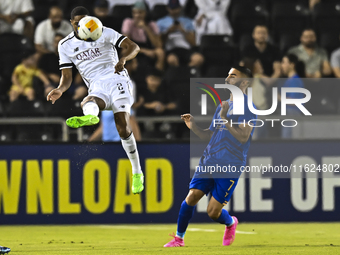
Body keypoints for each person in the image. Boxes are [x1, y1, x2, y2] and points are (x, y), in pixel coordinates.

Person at [46, 7, 144, 194]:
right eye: (78, 22)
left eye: (86, 20)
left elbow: (134, 47)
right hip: (97, 86)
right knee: (88, 100)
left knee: (122, 125)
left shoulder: (103, 31)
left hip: (117, 80)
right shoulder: (65, 45)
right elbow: (66, 77)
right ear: (72, 23)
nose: (83, 24)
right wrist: (59, 89)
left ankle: (137, 172)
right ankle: (91, 117)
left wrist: (123, 59)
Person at [164, 66, 256, 247]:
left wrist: (225, 118)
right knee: (191, 197)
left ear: (245, 82)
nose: (228, 78)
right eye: (228, 74)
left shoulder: (247, 107)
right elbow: (210, 135)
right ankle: (179, 239)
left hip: (230, 164)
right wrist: (194, 127)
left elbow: (244, 137)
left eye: (233, 76)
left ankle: (230, 223)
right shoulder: (222, 106)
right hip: (209, 160)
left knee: (213, 212)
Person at [157, 0, 204, 68]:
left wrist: (183, 30)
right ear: (167, 8)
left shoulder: (188, 21)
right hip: (171, 49)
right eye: (172, 9)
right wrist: (168, 32)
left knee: (198, 59)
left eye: (176, 8)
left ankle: (185, 71)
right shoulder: (160, 22)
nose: (174, 11)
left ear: (180, 8)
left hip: (186, 49)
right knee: (171, 60)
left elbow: (193, 42)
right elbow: (160, 43)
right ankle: (180, 73)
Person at [122, 1, 165, 71]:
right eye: (135, 13)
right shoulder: (128, 22)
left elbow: (159, 44)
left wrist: (146, 28)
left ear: (146, 13)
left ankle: (157, 75)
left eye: (140, 13)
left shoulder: (152, 24)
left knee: (160, 52)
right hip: (134, 49)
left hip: (148, 48)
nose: (137, 15)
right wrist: (144, 51)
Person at [279, 54, 305, 139]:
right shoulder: (289, 80)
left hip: (292, 115)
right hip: (288, 115)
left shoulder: (295, 81)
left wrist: (278, 97)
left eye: (284, 62)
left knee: (289, 140)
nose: (282, 65)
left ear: (292, 65)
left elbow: (296, 101)